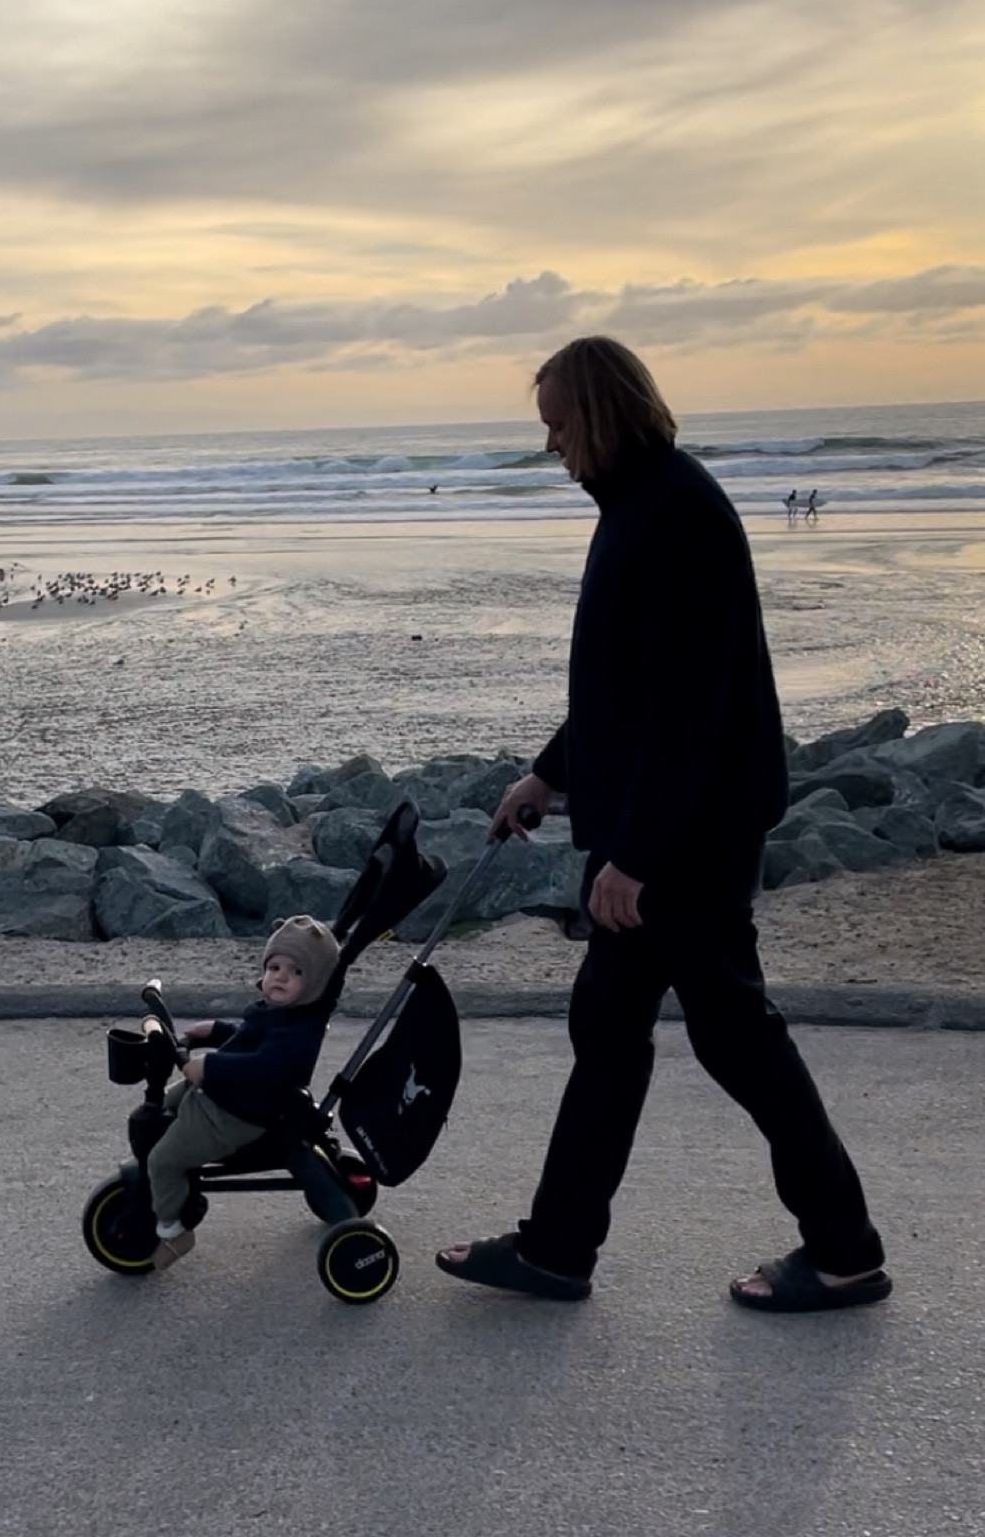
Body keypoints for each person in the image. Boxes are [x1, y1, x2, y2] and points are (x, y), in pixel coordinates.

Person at [437, 337, 890, 1313]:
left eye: (559, 425)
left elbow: (690, 708)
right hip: (670, 827)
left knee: (735, 1036)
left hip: (688, 837)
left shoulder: (676, 514)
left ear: (601, 414)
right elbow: (623, 689)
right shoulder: (643, 506)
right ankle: (558, 1246)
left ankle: (846, 1246)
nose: (551, 445)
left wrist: (633, 855)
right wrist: (548, 775)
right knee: (610, 1027)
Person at [148, 914, 340, 1270]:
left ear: (313, 985)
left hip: (236, 1113)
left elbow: (264, 1065)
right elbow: (249, 1037)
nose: (280, 976)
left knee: (163, 1161)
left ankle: (174, 1230)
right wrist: (216, 1031)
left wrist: (210, 1067)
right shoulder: (278, 1013)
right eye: (275, 967)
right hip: (223, 1096)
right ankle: (172, 1187)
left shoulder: (297, 1032)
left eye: (296, 972)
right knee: (161, 1105)